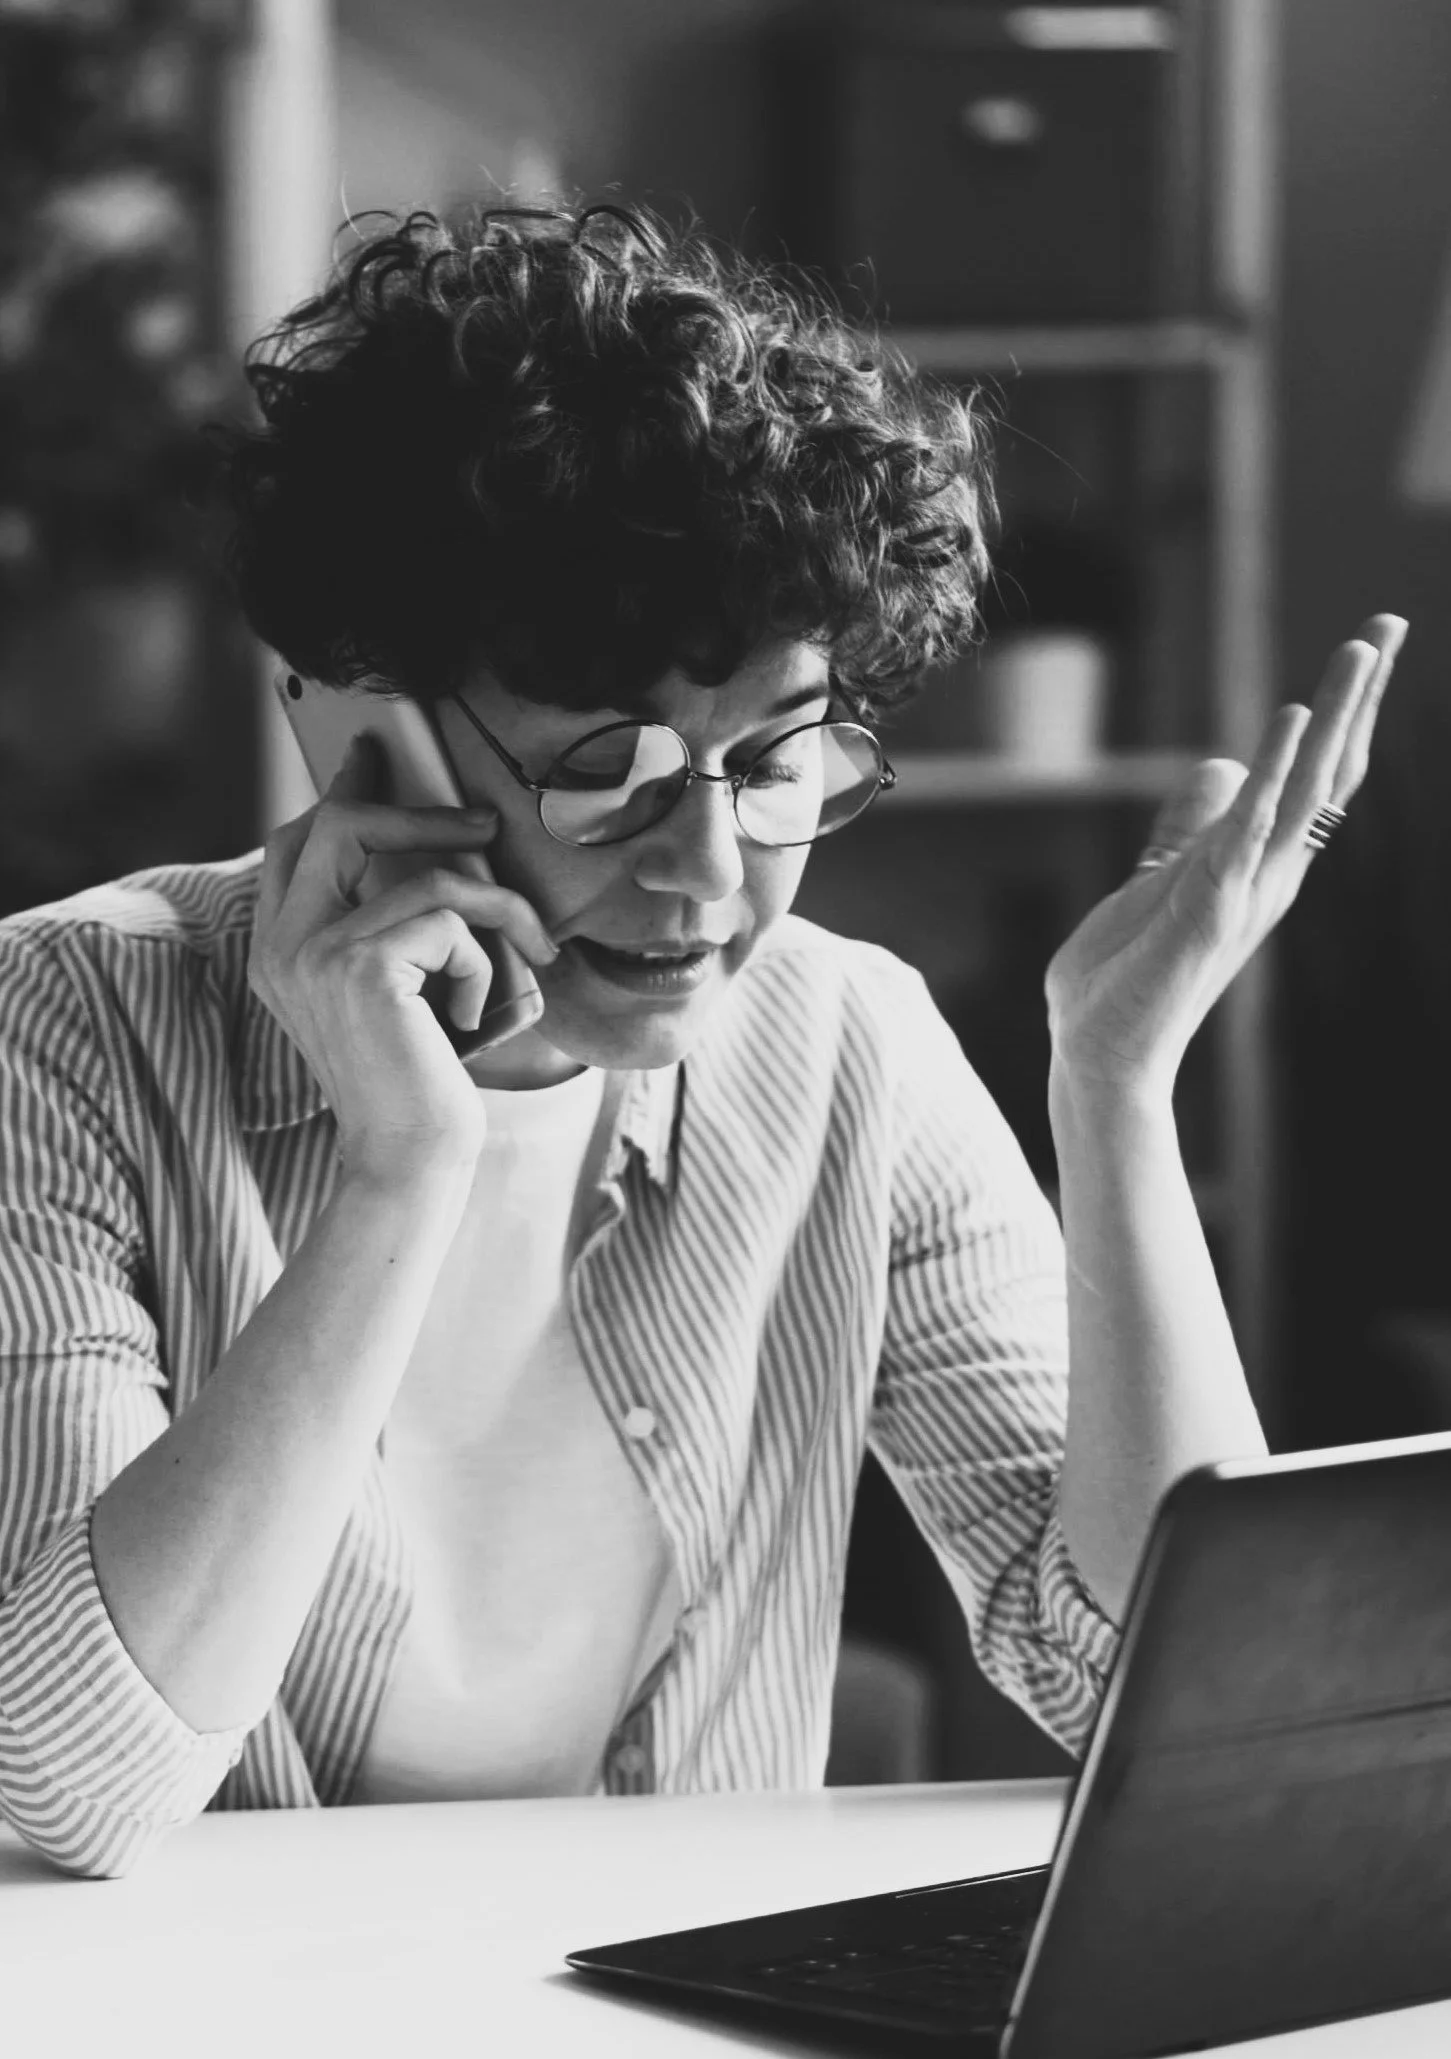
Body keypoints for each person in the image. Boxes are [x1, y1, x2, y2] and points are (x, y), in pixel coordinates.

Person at [0, 200, 1405, 1880]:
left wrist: (1113, 1087)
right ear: (366, 729)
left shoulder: (844, 1046)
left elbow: (1157, 1695)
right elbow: (72, 1778)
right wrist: (402, 1171)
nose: (709, 871)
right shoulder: (64, 1024)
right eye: (605, 769)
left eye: (779, 759)